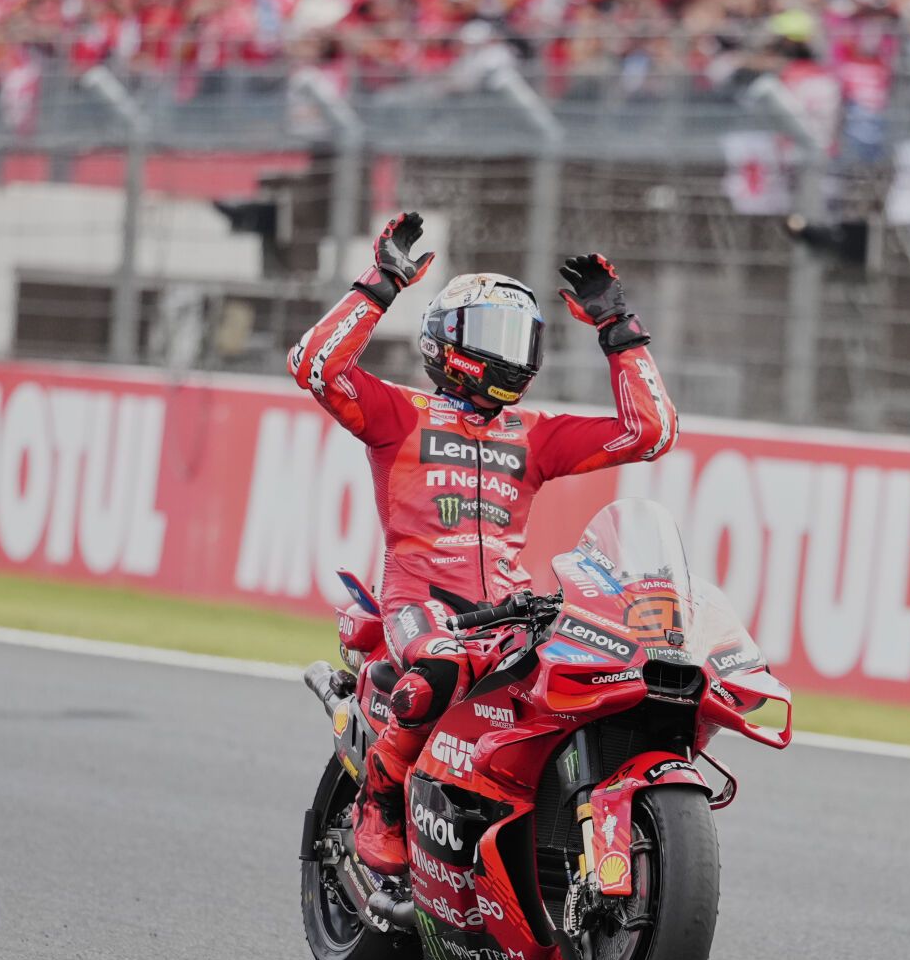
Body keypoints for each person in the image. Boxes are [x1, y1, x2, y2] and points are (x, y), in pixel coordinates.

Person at [288, 212, 677, 874]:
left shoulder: (536, 433)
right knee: (439, 663)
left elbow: (652, 432)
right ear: (443, 342)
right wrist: (380, 282)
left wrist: (619, 329)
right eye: (490, 333)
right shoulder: (397, 415)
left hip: (508, 609)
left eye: (520, 336)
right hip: (421, 604)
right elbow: (315, 365)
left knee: (592, 666)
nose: (509, 351)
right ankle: (379, 800)